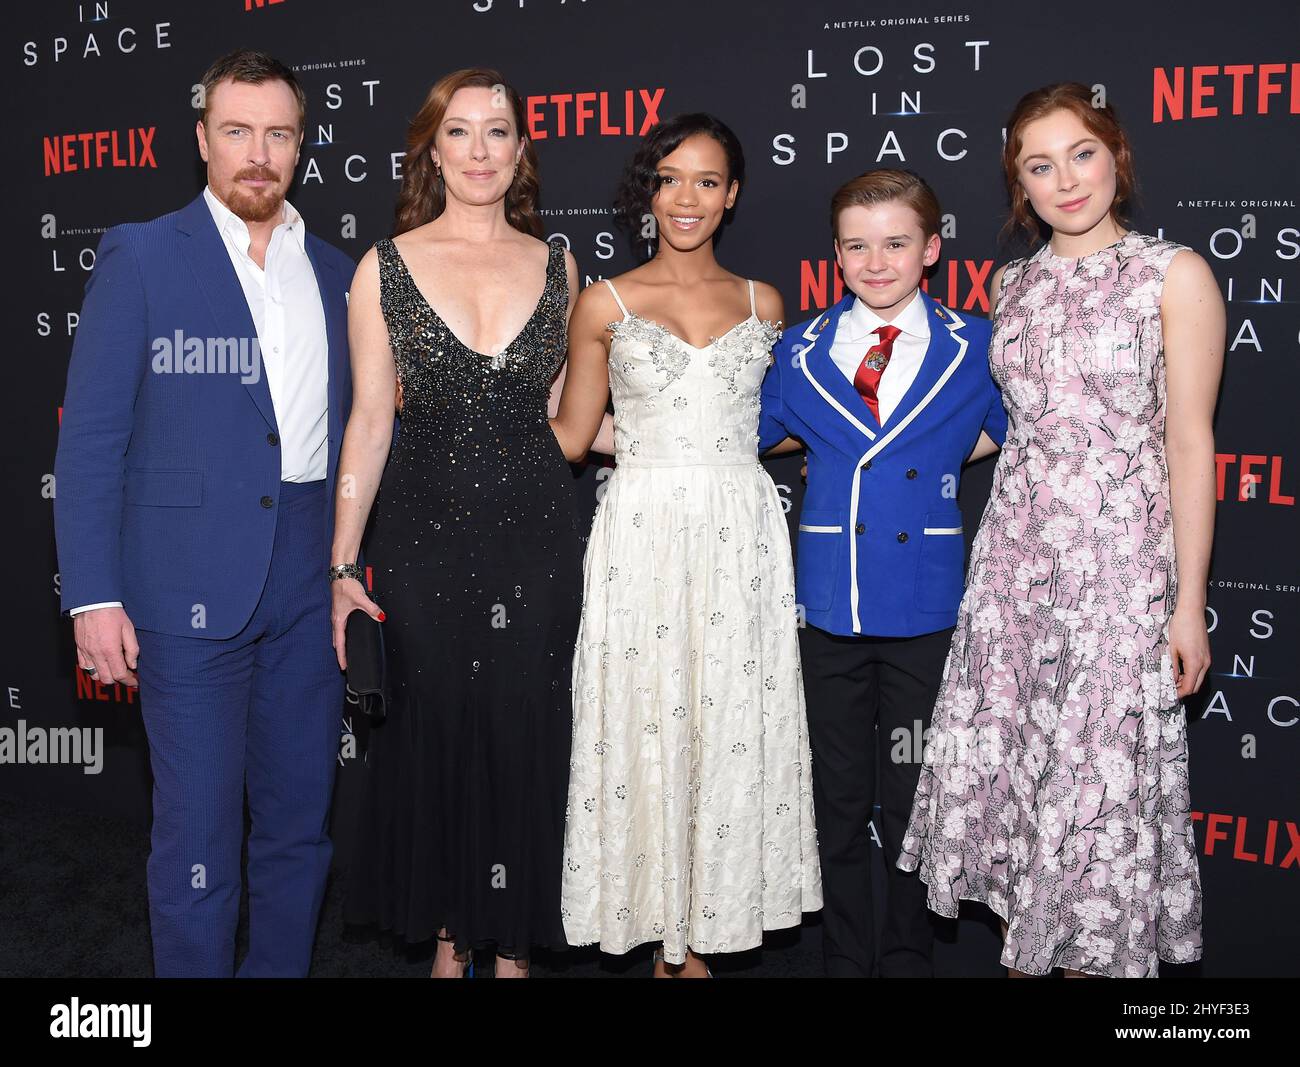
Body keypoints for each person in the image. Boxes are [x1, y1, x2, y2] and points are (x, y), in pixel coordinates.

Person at [898, 83, 1220, 977]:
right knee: (1027, 798)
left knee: (1097, 800)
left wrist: (1187, 603)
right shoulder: (1015, 282)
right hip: (1016, 569)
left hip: (1120, 571)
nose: (1065, 179)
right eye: (1039, 166)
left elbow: (1190, 439)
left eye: (1080, 153)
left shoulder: (1174, 273)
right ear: (1020, 188)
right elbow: (1024, 423)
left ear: (1114, 153)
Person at [53, 50, 355, 977]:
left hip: (308, 580)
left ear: (301, 145)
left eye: (276, 133)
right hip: (182, 583)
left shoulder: (345, 276)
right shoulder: (143, 254)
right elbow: (91, 437)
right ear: (201, 140)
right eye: (236, 131)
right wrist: (92, 595)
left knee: (299, 828)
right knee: (195, 844)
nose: (256, 153)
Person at [552, 114, 822, 978]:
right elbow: (575, 433)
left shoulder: (763, 302)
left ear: (732, 194)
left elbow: (767, 425)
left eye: (707, 181)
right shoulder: (607, 301)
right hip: (642, 531)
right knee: (647, 712)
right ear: (650, 189)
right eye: (671, 178)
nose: (688, 198)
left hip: (739, 532)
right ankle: (662, 929)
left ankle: (703, 927)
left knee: (729, 721)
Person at [331, 69, 584, 979]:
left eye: (499, 132)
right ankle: (448, 938)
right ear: (432, 150)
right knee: (436, 728)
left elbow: (569, 417)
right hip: (422, 535)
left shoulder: (559, 264)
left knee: (524, 727)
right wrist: (342, 567)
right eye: (461, 133)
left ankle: (512, 945)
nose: (480, 151)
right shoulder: (384, 265)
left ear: (521, 149)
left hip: (539, 538)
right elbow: (368, 419)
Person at [758, 169, 1007, 977]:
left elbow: (1018, 433)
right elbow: (741, 435)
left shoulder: (977, 346)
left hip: (925, 615)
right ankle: (839, 955)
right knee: (832, 797)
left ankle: (903, 958)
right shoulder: (796, 350)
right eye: (857, 245)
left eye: (896, 242)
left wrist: (926, 464)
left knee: (910, 796)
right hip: (825, 611)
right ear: (835, 254)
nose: (877, 260)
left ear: (931, 249)